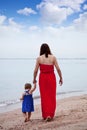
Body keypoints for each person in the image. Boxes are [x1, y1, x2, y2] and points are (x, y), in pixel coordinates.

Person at [33, 43, 63, 121]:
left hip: (42, 78)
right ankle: (50, 114)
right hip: (51, 78)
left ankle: (46, 115)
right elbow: (58, 69)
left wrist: (34, 79)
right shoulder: (53, 57)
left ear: (41, 50)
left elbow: (35, 71)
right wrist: (61, 78)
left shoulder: (39, 58)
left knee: (44, 97)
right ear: (49, 49)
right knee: (52, 96)